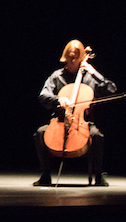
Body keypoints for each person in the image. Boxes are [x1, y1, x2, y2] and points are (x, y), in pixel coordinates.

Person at [33, 39, 117, 187]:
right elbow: (43, 96)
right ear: (65, 56)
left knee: (97, 136)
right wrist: (59, 99)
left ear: (81, 58)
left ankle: (98, 175)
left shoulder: (90, 77)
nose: (72, 60)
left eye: (76, 57)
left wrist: (94, 72)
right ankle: (45, 174)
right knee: (40, 133)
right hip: (59, 120)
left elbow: (111, 89)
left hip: (82, 123)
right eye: (69, 56)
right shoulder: (56, 76)